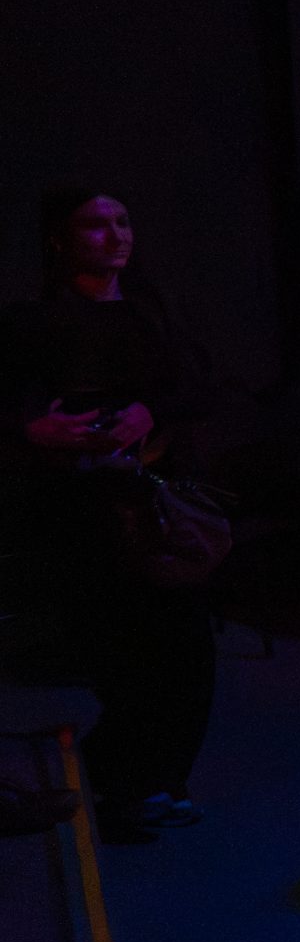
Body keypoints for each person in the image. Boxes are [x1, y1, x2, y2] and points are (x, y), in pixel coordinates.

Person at [1, 189, 215, 844]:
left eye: (122, 221)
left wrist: (151, 410)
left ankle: (152, 781)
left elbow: (198, 384)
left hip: (152, 501)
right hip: (76, 508)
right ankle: (126, 788)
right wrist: (33, 429)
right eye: (96, 224)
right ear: (60, 239)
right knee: (130, 653)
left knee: (185, 647)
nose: (116, 234)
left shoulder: (152, 312)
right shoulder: (32, 322)